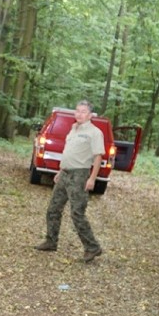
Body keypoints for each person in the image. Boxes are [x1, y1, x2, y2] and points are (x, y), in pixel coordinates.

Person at [34, 100, 105, 262]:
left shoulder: (94, 132)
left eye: (83, 111)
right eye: (77, 111)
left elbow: (98, 157)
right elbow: (69, 152)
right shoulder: (73, 128)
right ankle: (51, 241)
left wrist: (92, 179)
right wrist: (60, 171)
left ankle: (92, 247)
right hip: (65, 174)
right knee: (53, 209)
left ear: (89, 115)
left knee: (77, 213)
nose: (79, 114)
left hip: (79, 176)